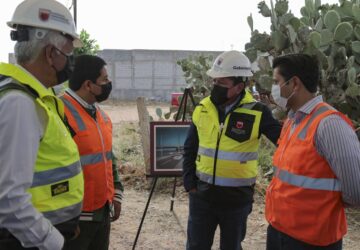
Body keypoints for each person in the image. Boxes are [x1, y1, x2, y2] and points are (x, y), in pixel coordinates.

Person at [0, 0, 84, 249]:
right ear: (50, 53)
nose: (70, 64)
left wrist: (67, 222)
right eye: (68, 55)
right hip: (29, 241)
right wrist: (54, 241)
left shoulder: (34, 97)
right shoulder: (20, 103)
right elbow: (9, 201)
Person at [183, 50, 282, 250]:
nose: (215, 87)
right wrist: (190, 184)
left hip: (237, 200)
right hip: (202, 196)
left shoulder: (258, 112)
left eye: (221, 83)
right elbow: (190, 148)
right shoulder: (202, 108)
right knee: (196, 246)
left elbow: (286, 143)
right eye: (214, 82)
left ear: (239, 87)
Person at [266, 54, 360, 250]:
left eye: (277, 82)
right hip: (279, 231)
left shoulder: (329, 124)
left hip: (313, 241)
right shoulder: (292, 121)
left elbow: (354, 191)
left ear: (295, 83)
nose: (273, 88)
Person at [60, 55, 123, 250]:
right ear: (88, 85)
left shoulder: (101, 116)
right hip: (75, 218)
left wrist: (117, 192)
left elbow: (107, 157)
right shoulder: (58, 112)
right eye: (104, 80)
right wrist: (63, 218)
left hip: (101, 212)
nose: (109, 83)